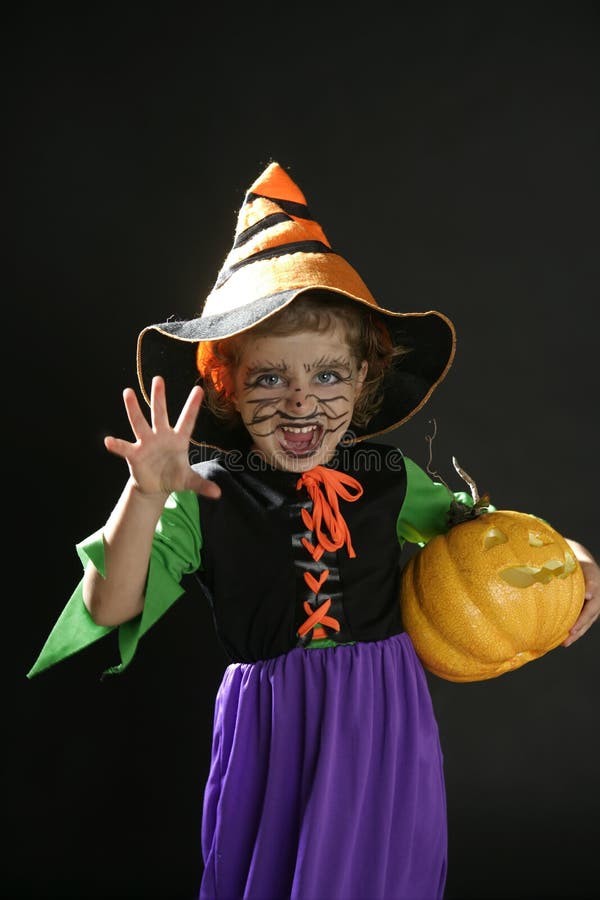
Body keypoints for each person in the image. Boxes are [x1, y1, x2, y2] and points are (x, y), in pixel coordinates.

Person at [28, 162, 599, 900]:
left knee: (386, 873)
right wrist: (142, 494)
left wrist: (578, 560)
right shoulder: (199, 497)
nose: (303, 402)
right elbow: (108, 606)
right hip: (278, 727)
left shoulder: (391, 479)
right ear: (227, 386)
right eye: (270, 379)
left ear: (364, 380)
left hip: (383, 717)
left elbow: (496, 540)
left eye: (328, 376)